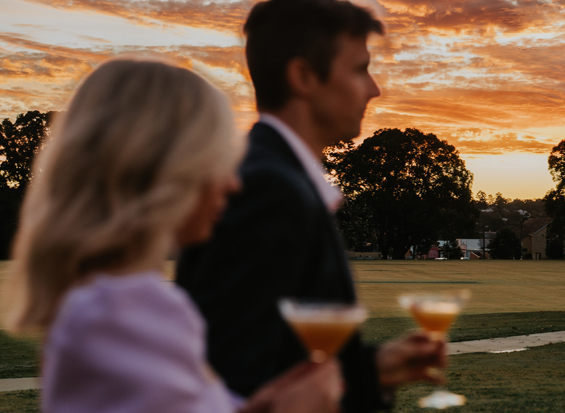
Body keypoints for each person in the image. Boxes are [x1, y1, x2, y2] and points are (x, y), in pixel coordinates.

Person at [2, 56, 343, 413]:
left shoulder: (101, 303)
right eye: (218, 160)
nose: (233, 183)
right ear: (167, 168)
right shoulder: (125, 312)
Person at [176, 0, 446, 411]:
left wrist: (373, 370)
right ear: (303, 77)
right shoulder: (268, 190)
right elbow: (232, 379)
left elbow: (287, 362)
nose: (374, 89)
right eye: (359, 69)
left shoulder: (279, 177)